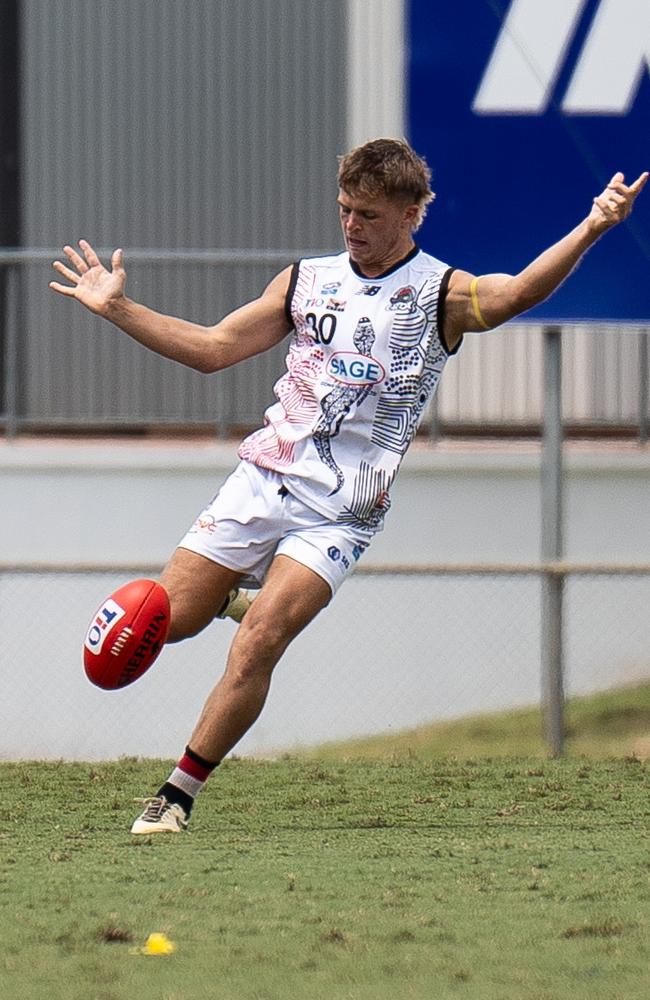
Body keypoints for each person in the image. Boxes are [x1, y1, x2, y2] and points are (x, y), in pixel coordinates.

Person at [50, 139, 647, 834]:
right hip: (262, 479)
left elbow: (516, 293)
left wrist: (594, 226)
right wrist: (120, 309)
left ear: (411, 213)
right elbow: (214, 350)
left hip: (340, 511)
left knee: (260, 641)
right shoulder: (306, 281)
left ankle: (176, 795)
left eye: (367, 213)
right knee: (164, 622)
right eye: (344, 209)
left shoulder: (439, 294)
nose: (351, 224)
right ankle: (223, 600)